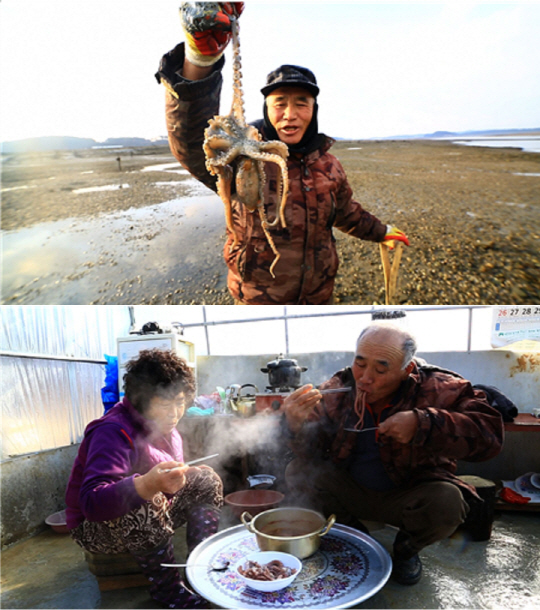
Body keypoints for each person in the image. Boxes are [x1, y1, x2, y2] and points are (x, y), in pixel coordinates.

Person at [155, 2, 410, 305]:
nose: (290, 114)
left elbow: (345, 213)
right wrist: (200, 58)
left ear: (314, 110)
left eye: (301, 103)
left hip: (319, 295)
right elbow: (190, 141)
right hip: (257, 297)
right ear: (267, 108)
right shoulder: (243, 161)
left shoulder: (329, 165)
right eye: (280, 103)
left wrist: (383, 231)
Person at [281, 322, 504, 585]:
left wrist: (423, 424)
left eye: (381, 368)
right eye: (360, 363)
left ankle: (405, 550)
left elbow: (490, 437)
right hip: (352, 489)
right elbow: (312, 453)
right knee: (297, 471)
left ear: (406, 369)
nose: (365, 377)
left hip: (408, 493)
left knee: (448, 502)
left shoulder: (440, 388)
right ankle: (355, 534)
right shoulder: (337, 389)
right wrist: (293, 425)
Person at [65, 349, 222, 609]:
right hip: (96, 528)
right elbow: (92, 503)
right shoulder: (112, 431)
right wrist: (148, 485)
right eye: (164, 404)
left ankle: (198, 569)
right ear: (140, 399)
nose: (174, 413)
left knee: (207, 478)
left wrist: (182, 473)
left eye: (180, 402)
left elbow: (165, 473)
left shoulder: (167, 429)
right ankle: (168, 591)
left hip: (153, 513)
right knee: (146, 501)